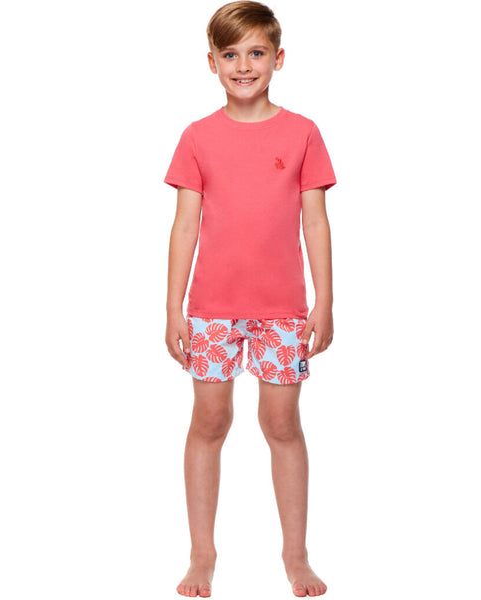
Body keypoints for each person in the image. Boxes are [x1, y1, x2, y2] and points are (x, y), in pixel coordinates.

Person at [164, 1, 336, 596]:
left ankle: (296, 555)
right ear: (211, 62)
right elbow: (184, 226)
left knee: (282, 423)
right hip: (212, 311)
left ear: (278, 59)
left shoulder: (303, 132)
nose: (244, 66)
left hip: (283, 311)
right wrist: (173, 308)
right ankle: (202, 554)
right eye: (231, 54)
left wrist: (324, 301)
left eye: (256, 53)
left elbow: (315, 222)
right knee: (209, 421)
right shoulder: (197, 137)